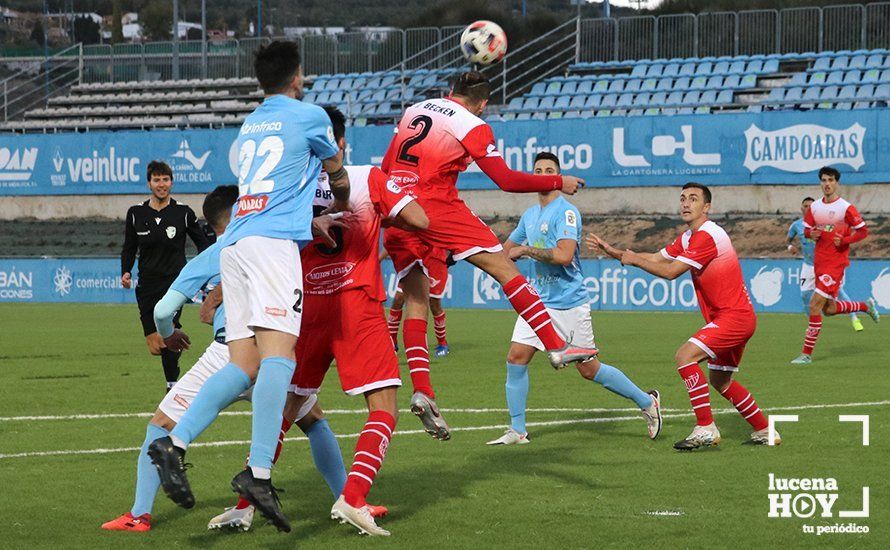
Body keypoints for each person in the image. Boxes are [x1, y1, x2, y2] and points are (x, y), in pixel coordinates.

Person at [146, 41, 349, 533]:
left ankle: (175, 441)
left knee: (245, 363)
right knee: (281, 357)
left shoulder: (252, 121)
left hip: (235, 245)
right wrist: (339, 203)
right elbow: (335, 173)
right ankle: (258, 472)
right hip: (272, 247)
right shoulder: (311, 115)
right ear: (298, 76)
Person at [102, 186, 356, 532]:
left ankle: (138, 515)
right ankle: (350, 499)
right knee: (312, 420)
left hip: (227, 354)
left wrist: (169, 334)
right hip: (271, 354)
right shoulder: (272, 240)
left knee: (160, 425)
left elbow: (163, 309)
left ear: (211, 224)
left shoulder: (216, 252)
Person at [381, 71, 598, 441]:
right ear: (483, 103)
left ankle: (423, 390)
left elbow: (387, 167)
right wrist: (557, 181)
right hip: (435, 204)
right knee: (504, 266)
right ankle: (556, 345)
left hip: (395, 206)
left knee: (416, 298)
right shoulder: (472, 124)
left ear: (451, 91)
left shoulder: (414, 109)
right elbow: (507, 180)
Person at [488, 152, 661, 446]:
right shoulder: (529, 216)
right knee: (516, 357)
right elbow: (505, 252)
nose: (543, 174)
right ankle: (517, 430)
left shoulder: (566, 212)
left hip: (568, 303)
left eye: (549, 170)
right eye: (538, 170)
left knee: (589, 369)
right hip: (538, 303)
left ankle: (647, 402)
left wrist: (527, 250)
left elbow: (565, 256)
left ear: (557, 176)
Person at [589, 183, 779, 449]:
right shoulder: (689, 237)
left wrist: (632, 260)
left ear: (707, 207)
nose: (686, 203)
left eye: (693, 198)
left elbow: (670, 272)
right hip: (733, 317)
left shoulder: (707, 235)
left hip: (733, 318)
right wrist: (617, 253)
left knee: (685, 356)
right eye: (682, 198)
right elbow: (658, 258)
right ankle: (764, 429)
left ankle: (705, 428)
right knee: (721, 380)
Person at [120, 160, 210, 391]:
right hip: (147, 285)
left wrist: (206, 271)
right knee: (155, 343)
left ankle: (172, 386)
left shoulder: (184, 213)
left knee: (169, 329)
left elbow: (203, 244)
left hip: (175, 284)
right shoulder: (136, 213)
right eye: (157, 180)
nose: (162, 184)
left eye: (166, 179)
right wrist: (126, 271)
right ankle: (172, 377)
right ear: (149, 183)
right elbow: (129, 246)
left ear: (171, 182)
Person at [791, 167, 879, 364]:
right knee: (828, 310)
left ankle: (806, 354)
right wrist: (810, 234)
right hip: (819, 264)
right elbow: (806, 230)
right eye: (823, 180)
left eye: (830, 180)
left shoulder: (845, 208)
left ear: (837, 183)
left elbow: (863, 231)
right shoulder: (814, 208)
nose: (827, 184)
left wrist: (846, 239)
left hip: (835, 265)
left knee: (814, 305)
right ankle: (865, 306)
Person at [787, 197, 863, 331]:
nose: (808, 208)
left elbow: (838, 235)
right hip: (808, 265)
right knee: (804, 295)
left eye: (811, 206)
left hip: (826, 266)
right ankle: (812, 324)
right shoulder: (797, 225)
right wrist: (789, 247)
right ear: (801, 208)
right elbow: (788, 240)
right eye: (805, 206)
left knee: (840, 293)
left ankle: (854, 318)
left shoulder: (825, 224)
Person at [385, 246, 451, 356]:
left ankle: (442, 343)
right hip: (415, 260)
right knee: (398, 299)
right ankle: (392, 342)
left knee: (434, 305)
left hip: (435, 261)